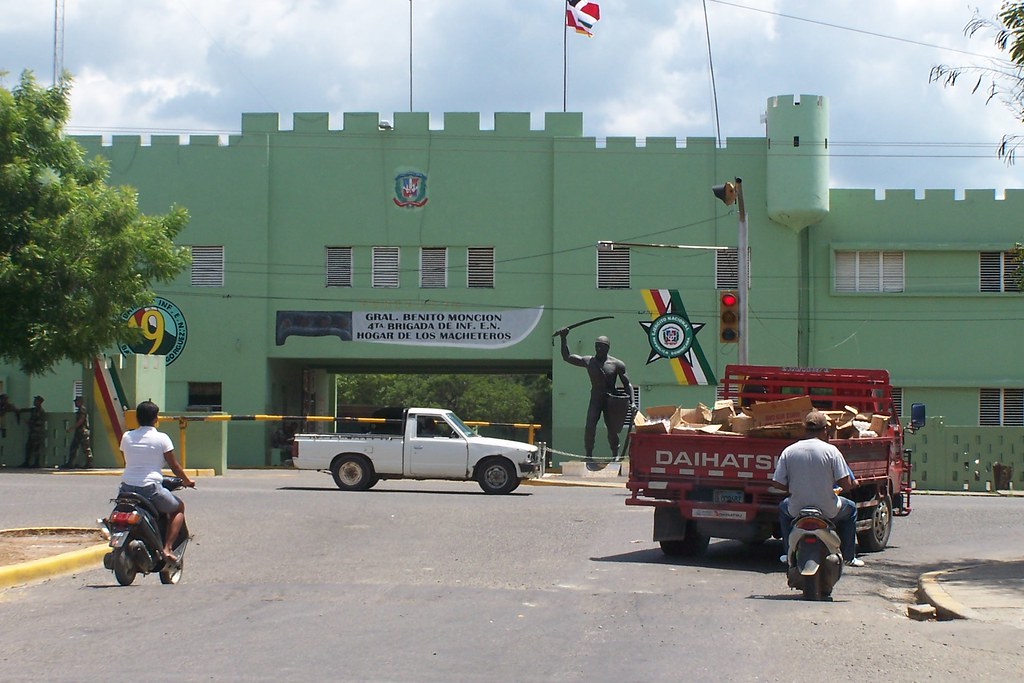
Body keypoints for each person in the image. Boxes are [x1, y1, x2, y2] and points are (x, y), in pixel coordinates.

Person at [772, 409, 864, 567]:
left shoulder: (789, 451)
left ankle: (787, 552)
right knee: (851, 510)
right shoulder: (831, 451)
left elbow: (777, 483)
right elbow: (845, 484)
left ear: (804, 429)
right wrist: (852, 485)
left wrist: (793, 488)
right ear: (825, 430)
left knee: (783, 508)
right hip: (828, 508)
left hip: (796, 508)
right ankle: (849, 557)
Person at [119, 401, 195, 562]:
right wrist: (187, 481)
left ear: (137, 418)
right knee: (178, 508)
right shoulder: (162, 438)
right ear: (156, 418)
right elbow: (174, 466)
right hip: (150, 489)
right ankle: (167, 548)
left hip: (126, 489)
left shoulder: (126, 437)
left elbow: (126, 460)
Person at [557, 329, 634, 460]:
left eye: (601, 346)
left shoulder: (617, 364)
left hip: (610, 399)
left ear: (607, 348)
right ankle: (588, 454)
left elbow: (627, 384)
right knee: (590, 426)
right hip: (596, 398)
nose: (598, 349)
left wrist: (632, 402)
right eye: (596, 346)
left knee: (612, 428)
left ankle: (615, 453)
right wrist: (563, 338)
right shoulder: (589, 361)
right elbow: (567, 357)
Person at [63, 396, 93, 469]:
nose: (75, 403)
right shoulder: (80, 410)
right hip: (79, 432)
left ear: (81, 402)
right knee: (73, 447)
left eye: (77, 402)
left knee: (86, 448)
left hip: (83, 432)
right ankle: (70, 463)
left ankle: (89, 463)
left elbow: (81, 420)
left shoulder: (82, 410)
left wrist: (72, 428)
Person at [19, 395, 47, 468]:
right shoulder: (34, 410)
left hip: (37, 433)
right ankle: (27, 462)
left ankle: (36, 463)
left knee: (36, 448)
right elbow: (26, 410)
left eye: (36, 401)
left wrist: (30, 422)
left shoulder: (40, 411)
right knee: (29, 447)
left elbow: (39, 422)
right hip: (32, 432)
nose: (34, 402)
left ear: (39, 402)